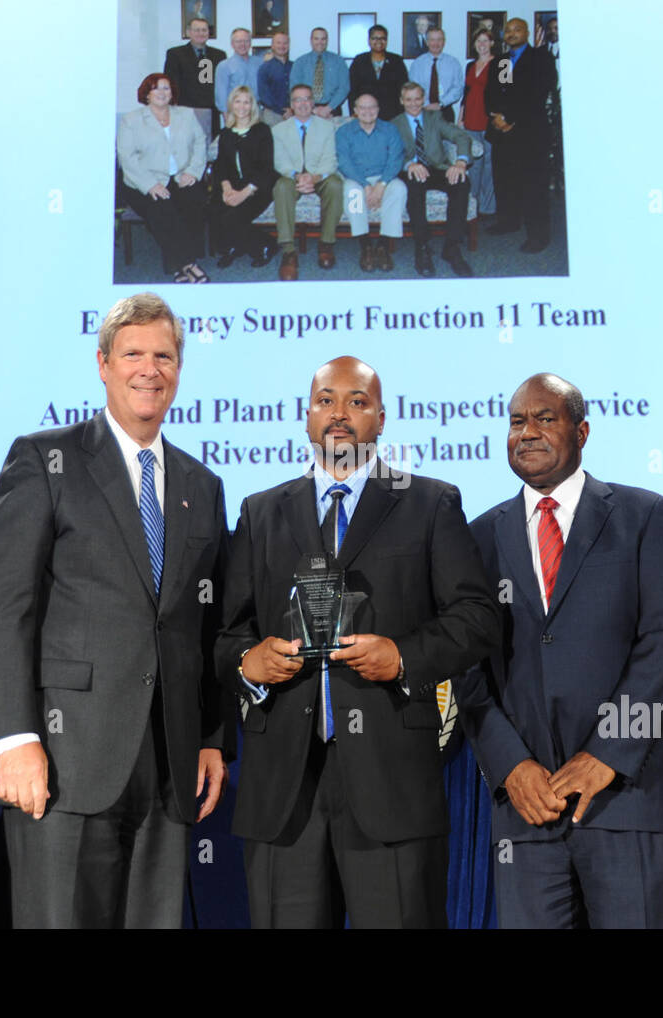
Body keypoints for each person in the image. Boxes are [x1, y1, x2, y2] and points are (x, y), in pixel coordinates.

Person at [0, 293, 233, 928]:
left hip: (167, 764)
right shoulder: (44, 459)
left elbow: (205, 623)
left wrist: (208, 738)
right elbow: (2, 606)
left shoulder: (204, 486)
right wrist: (14, 737)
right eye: (133, 354)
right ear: (103, 365)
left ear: (179, 370)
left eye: (164, 356)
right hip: (63, 758)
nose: (150, 369)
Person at [216, 356, 500, 928]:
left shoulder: (430, 503)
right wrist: (249, 660)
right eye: (326, 400)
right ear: (306, 416)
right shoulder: (260, 511)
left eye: (357, 401)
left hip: (393, 782)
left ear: (382, 418)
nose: (339, 413)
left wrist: (402, 657)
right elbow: (227, 634)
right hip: (283, 791)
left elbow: (477, 618)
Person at [458, 373, 663, 929]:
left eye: (545, 418)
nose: (528, 432)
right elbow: (465, 665)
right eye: (517, 421)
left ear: (582, 431)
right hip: (526, 811)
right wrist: (511, 766)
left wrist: (606, 754)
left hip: (625, 798)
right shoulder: (477, 537)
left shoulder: (641, 515)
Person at [116, 73, 211, 284]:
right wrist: (150, 185)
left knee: (194, 199)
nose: (162, 92)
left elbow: (200, 143)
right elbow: (127, 158)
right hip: (142, 181)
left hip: (181, 175)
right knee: (161, 207)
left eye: (166, 88)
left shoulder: (186, 114)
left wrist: (193, 172)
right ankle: (188, 264)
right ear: (147, 94)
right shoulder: (131, 120)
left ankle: (175, 266)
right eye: (156, 88)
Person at [486, 18, 557, 252]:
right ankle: (509, 222)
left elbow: (536, 93)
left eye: (517, 30)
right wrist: (497, 116)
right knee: (506, 181)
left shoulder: (540, 58)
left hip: (530, 132)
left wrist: (510, 118)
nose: (512, 34)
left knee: (533, 185)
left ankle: (539, 236)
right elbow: (497, 92)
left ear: (527, 33)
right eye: (508, 30)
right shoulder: (503, 61)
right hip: (504, 134)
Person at [393, 82, 474, 278]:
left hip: (437, 167)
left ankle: (452, 247)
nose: (413, 104)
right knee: (415, 184)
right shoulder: (393, 124)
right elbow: (390, 153)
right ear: (401, 101)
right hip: (411, 170)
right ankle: (422, 246)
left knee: (461, 182)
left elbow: (462, 137)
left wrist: (461, 163)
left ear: (423, 99)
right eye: (409, 99)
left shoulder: (435, 118)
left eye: (418, 99)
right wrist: (408, 164)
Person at [270, 84, 343, 280]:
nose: (303, 103)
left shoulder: (327, 127)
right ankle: (288, 251)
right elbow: (279, 161)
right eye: (298, 100)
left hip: (319, 176)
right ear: (291, 104)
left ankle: (326, 244)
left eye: (307, 99)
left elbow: (330, 159)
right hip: (292, 177)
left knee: (336, 184)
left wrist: (315, 177)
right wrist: (296, 176)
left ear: (313, 102)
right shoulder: (278, 130)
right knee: (281, 187)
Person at [335, 94, 407, 272]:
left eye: (372, 107)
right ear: (355, 110)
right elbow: (344, 162)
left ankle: (383, 246)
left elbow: (396, 159)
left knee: (399, 189)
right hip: (356, 178)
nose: (368, 111)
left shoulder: (390, 129)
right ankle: (365, 245)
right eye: (363, 107)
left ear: (378, 109)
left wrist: (381, 185)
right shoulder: (344, 132)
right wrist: (366, 186)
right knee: (352, 191)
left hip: (384, 177)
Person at [213, 86, 279, 268]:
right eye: (238, 101)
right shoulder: (226, 133)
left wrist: (244, 194)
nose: (242, 106)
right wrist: (227, 188)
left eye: (246, 102)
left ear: (252, 106)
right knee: (213, 210)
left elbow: (266, 168)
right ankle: (233, 246)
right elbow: (221, 164)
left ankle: (267, 244)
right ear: (231, 105)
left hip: (258, 187)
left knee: (232, 217)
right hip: (233, 185)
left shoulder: (262, 130)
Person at [164, 17, 226, 139]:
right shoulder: (175, 54)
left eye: (204, 30)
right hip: (185, 111)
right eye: (197, 30)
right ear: (189, 32)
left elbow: (220, 85)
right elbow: (171, 84)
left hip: (210, 113)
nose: (201, 33)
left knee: (209, 150)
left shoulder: (219, 55)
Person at [461, 28, 497, 216]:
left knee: (490, 165)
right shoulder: (469, 65)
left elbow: (507, 91)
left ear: (492, 43)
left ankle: (488, 208)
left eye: (485, 41)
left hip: (490, 121)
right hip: (470, 119)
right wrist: (460, 117)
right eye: (478, 41)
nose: (482, 44)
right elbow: (465, 94)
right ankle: (472, 205)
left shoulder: (503, 63)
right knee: (473, 164)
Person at [347, 24, 408, 120]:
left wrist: (402, 113)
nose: (379, 41)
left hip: (392, 113)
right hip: (365, 113)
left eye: (382, 38)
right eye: (375, 38)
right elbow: (352, 89)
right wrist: (354, 112)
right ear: (369, 40)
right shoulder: (359, 60)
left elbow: (403, 89)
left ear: (386, 41)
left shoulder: (396, 61)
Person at [289, 27, 348, 119]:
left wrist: (328, 108)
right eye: (316, 39)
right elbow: (294, 88)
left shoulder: (338, 61)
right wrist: (313, 109)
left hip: (332, 110)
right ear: (311, 40)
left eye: (323, 39)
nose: (320, 42)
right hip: (306, 109)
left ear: (327, 40)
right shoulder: (300, 62)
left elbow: (344, 88)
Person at [409, 27, 463, 124]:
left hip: (445, 110)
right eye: (432, 40)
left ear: (444, 42)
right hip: (422, 110)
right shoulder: (417, 63)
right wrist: (426, 105)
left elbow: (458, 88)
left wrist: (441, 104)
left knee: (447, 139)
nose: (436, 43)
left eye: (439, 39)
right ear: (427, 42)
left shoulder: (453, 63)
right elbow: (413, 88)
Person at [214, 27, 262, 124]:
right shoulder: (224, 66)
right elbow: (221, 94)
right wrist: (226, 116)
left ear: (250, 43)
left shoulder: (259, 63)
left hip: (256, 111)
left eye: (246, 41)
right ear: (232, 44)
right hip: (235, 112)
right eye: (238, 41)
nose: (242, 44)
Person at [257, 31, 293, 126]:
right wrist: (282, 111)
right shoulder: (264, 68)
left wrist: (292, 109)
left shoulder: (295, 66)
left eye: (285, 43)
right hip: (272, 114)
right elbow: (264, 95)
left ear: (289, 45)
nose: (282, 46)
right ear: (272, 46)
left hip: (293, 114)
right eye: (278, 43)